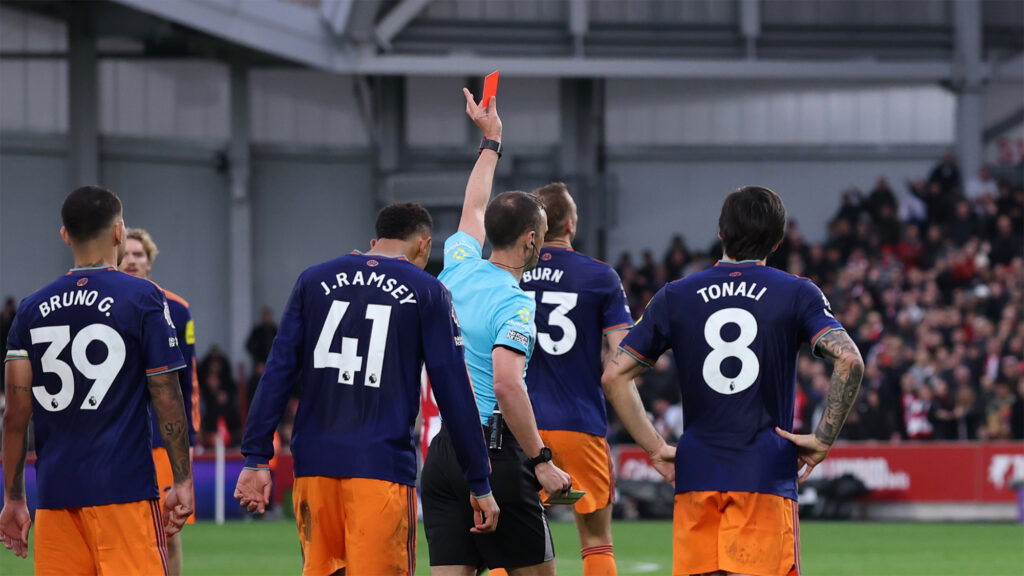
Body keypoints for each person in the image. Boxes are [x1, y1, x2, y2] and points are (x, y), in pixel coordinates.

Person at [602, 186, 864, 576]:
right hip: (764, 473)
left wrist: (656, 448)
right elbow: (849, 359)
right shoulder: (797, 292)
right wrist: (822, 439)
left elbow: (614, 374)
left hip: (696, 474)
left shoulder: (675, 295)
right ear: (777, 241)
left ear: (720, 232)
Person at [235, 202, 498, 575]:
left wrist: (256, 457)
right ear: (424, 246)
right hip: (381, 467)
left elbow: (278, 371)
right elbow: (453, 391)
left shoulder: (313, 281)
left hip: (314, 467)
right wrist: (479, 480)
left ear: (374, 241)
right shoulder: (427, 290)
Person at [0, 186, 194, 573]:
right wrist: (182, 478)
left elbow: (16, 415)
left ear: (65, 234)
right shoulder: (143, 298)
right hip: (125, 491)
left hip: (56, 498)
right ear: (120, 232)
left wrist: (14, 498)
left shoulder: (31, 309)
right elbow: (166, 395)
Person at [420, 89, 572, 576]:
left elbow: (473, 206)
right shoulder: (515, 303)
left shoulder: (457, 267)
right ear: (531, 240)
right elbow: (507, 384)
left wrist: (492, 142)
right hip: (496, 454)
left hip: (444, 453)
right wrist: (542, 459)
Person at [520, 182, 634, 575]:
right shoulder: (600, 277)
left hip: (516, 426)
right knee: (596, 540)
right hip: (578, 423)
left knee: (506, 541)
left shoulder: (507, 272)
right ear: (570, 224)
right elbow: (625, 355)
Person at [120, 228, 201, 576]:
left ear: (150, 262)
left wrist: (191, 438)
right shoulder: (105, 304)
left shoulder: (179, 309)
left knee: (168, 530)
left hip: (160, 438)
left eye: (139, 254)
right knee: (122, 528)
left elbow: (189, 380)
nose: (132, 260)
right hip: (118, 435)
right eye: (126, 253)